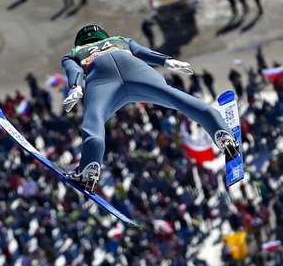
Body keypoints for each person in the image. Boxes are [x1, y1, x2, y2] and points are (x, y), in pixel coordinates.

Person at [60, 25, 240, 191]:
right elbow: (142, 52)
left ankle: (89, 169)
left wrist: (75, 86)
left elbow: (73, 71)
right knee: (175, 97)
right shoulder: (120, 39)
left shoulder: (74, 52)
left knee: (94, 119)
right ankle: (221, 132)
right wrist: (166, 61)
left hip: (102, 79)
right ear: (103, 36)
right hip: (136, 71)